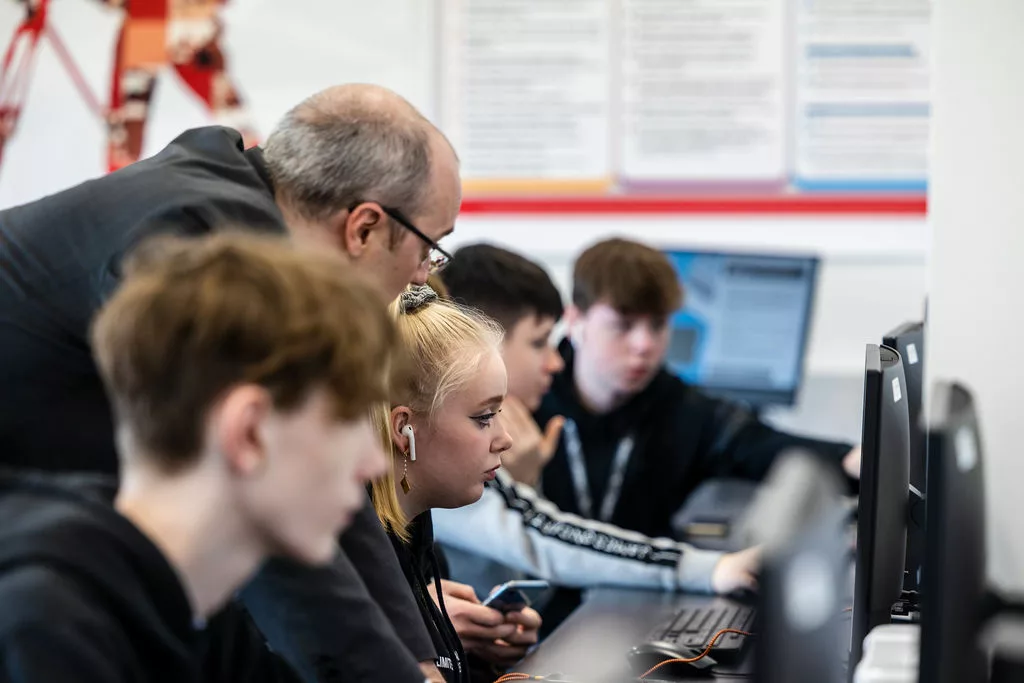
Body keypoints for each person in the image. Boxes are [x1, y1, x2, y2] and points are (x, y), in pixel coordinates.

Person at [0, 83, 460, 682]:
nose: (425, 274)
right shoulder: (190, 240)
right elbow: (274, 493)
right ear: (365, 228)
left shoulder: (238, 204)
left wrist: (416, 657)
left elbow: (311, 495)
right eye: (431, 247)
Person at [0, 233, 393, 682]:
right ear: (249, 433)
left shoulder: (192, 607)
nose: (373, 464)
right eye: (346, 421)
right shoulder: (45, 628)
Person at [432, 243, 759, 604]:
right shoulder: (442, 436)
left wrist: (525, 485)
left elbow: (527, 588)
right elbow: (540, 537)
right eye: (540, 342)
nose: (556, 362)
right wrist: (707, 569)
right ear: (481, 342)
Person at [537, 237, 861, 540]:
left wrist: (852, 460)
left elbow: (763, 446)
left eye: (658, 325)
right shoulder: (527, 399)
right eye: (623, 325)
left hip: (644, 587)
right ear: (576, 320)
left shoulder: (679, 407)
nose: (645, 345)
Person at [370, 285, 544, 683]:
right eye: (484, 417)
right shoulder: (359, 578)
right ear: (404, 428)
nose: (505, 438)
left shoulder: (424, 552)